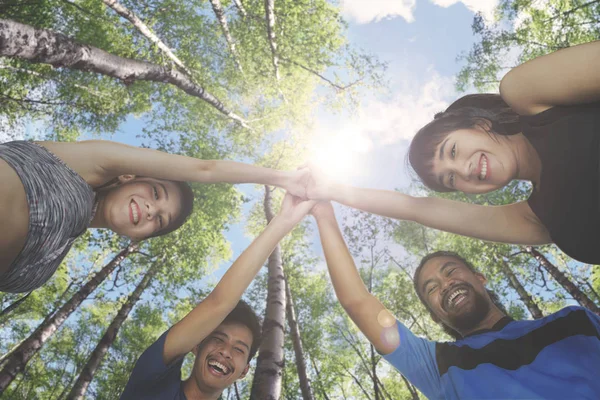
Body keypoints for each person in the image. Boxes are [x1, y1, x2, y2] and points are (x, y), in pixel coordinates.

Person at [306, 40, 600, 264]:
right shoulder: (533, 220)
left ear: (480, 124)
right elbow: (415, 209)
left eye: (453, 151)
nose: (462, 171)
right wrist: (331, 190)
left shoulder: (527, 94)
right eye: (450, 180)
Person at [311, 201, 600, 399]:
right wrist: (324, 213)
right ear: (436, 315)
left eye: (450, 271)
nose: (446, 284)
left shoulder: (574, 321)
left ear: (480, 278)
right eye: (432, 288)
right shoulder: (437, 365)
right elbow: (357, 301)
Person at [0, 139, 308, 293]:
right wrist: (283, 179)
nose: (151, 210)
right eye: (156, 193)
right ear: (130, 176)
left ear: (138, 237)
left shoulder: (55, 254)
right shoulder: (88, 162)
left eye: (159, 220)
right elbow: (206, 168)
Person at [120, 193, 316, 400]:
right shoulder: (152, 384)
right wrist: (283, 221)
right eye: (218, 339)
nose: (225, 351)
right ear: (196, 346)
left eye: (239, 350)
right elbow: (219, 303)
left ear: (244, 371)